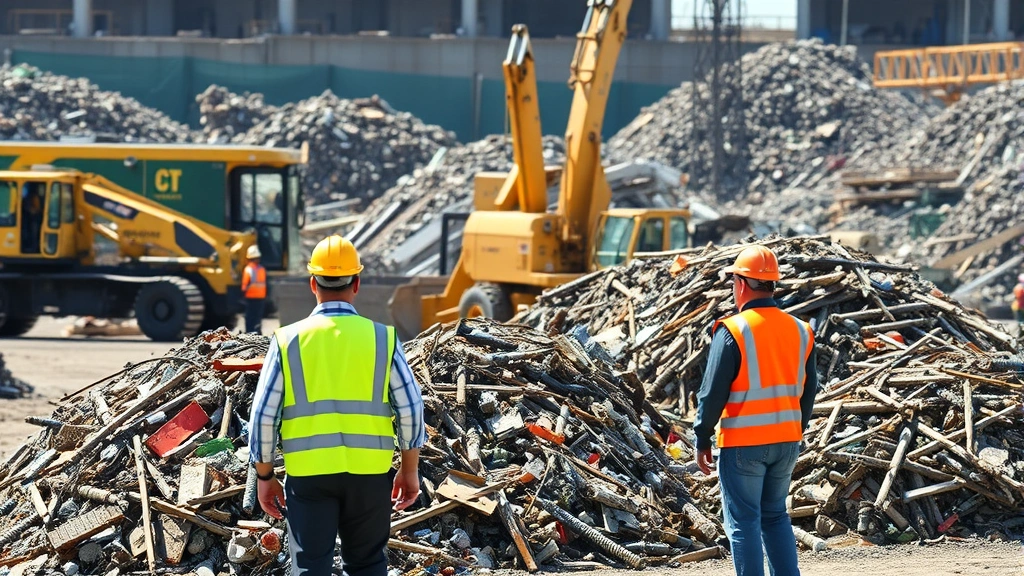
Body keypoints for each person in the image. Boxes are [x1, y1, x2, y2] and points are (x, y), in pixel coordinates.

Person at [248, 234, 425, 576]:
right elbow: (410, 409)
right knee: (367, 565)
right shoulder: (383, 338)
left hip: (309, 476)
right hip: (370, 475)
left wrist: (265, 475)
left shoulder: (287, 341)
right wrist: (409, 469)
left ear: (312, 283)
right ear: (356, 283)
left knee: (310, 567)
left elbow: (263, 416)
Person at [693, 245, 818, 576]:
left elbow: (712, 392)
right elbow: (810, 389)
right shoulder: (801, 330)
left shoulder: (733, 329)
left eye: (733, 282)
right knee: (775, 516)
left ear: (742, 284)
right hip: (787, 442)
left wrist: (702, 435)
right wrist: (795, 428)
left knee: (744, 522)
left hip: (744, 444)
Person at [241, 245, 267, 334]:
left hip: (251, 297)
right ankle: (256, 332)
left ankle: (250, 332)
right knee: (257, 317)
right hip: (260, 297)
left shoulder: (248, 269)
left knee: (250, 317)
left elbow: (244, 285)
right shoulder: (262, 269)